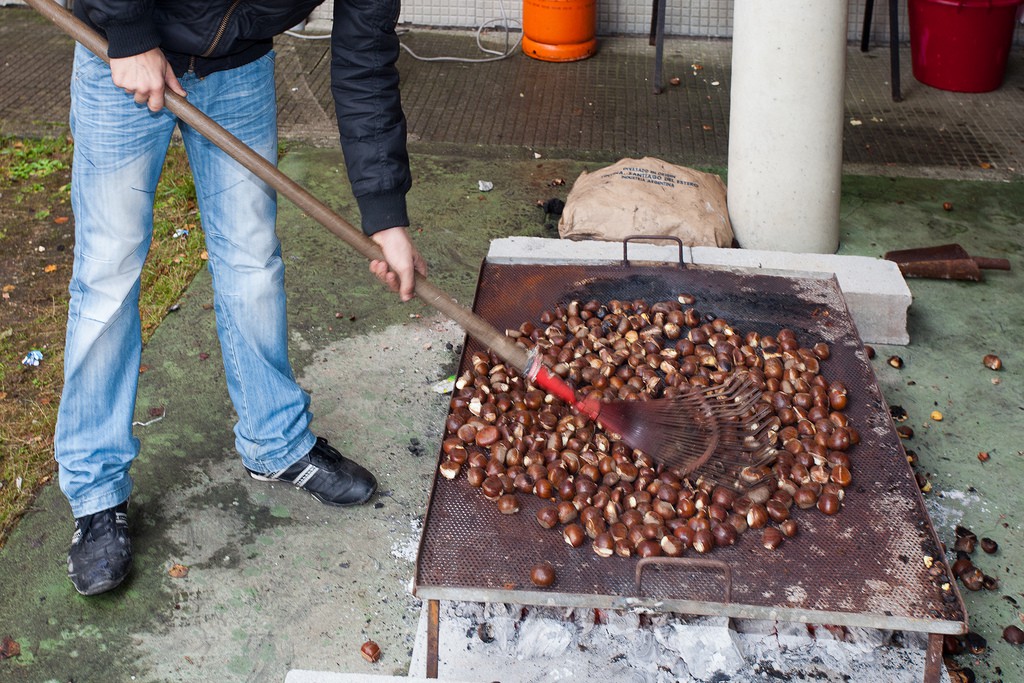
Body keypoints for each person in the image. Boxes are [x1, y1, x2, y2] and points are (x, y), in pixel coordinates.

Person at [58, 0, 427, 596]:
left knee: (252, 257)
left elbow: (365, 60)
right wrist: (126, 33)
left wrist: (386, 217)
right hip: (119, 54)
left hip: (237, 68)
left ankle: (275, 441)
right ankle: (97, 493)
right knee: (107, 276)